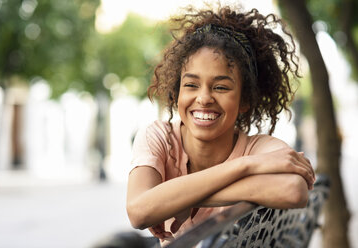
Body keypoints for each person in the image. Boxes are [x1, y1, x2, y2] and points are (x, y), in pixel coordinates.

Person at [126, 4, 315, 247]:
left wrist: (182, 199)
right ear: (177, 92)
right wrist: (247, 166)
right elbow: (138, 211)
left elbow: (293, 189)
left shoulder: (257, 147)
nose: (204, 98)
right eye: (191, 85)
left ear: (245, 100)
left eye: (221, 87)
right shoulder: (158, 137)